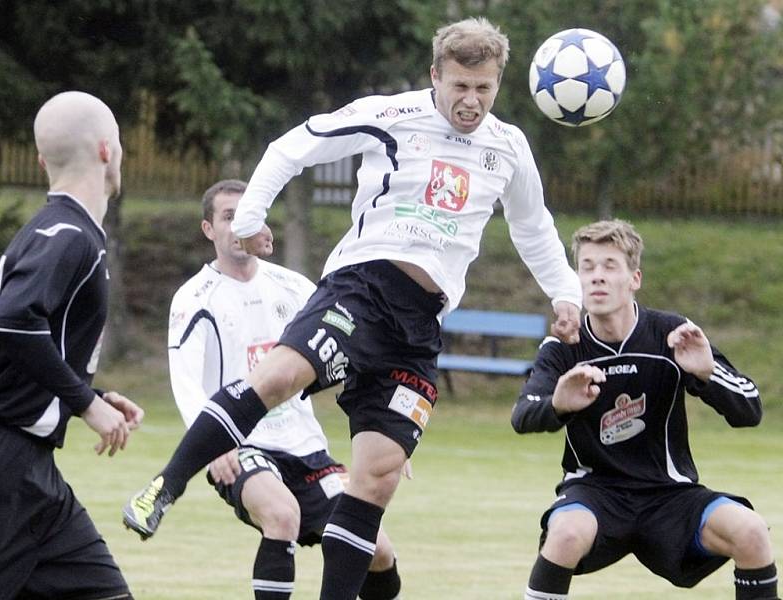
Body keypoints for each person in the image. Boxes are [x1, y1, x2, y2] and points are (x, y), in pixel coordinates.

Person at [124, 17, 583, 599]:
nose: (471, 101)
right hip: (362, 287)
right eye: (460, 86)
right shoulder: (391, 116)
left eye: (484, 88)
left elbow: (534, 228)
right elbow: (293, 146)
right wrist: (250, 217)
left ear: (499, 84)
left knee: (377, 476)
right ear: (435, 75)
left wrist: (565, 293)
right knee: (280, 377)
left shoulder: (509, 147)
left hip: (420, 328)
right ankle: (165, 486)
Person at [512, 219, 778, 600]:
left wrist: (707, 373)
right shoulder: (564, 345)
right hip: (594, 493)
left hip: (670, 495)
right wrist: (558, 404)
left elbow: (750, 408)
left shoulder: (673, 334)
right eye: (586, 267)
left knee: (751, 531)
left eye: (609, 266)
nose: (596, 277)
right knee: (566, 533)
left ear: (634, 278)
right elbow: (523, 414)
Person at [166, 179, 402, 599]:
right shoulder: (194, 298)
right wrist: (214, 444)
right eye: (228, 217)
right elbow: (185, 378)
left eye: (248, 214)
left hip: (306, 447)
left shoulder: (295, 288)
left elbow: (352, 350)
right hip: (243, 446)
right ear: (209, 230)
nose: (240, 225)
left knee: (377, 550)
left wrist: (390, 427)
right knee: (282, 515)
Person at [0, 91, 143, 600]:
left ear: (39, 160)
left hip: (29, 472)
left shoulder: (64, 231)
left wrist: (87, 391)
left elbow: (25, 340)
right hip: (2, 467)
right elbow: (11, 323)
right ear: (106, 151)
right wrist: (85, 403)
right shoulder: (68, 234)